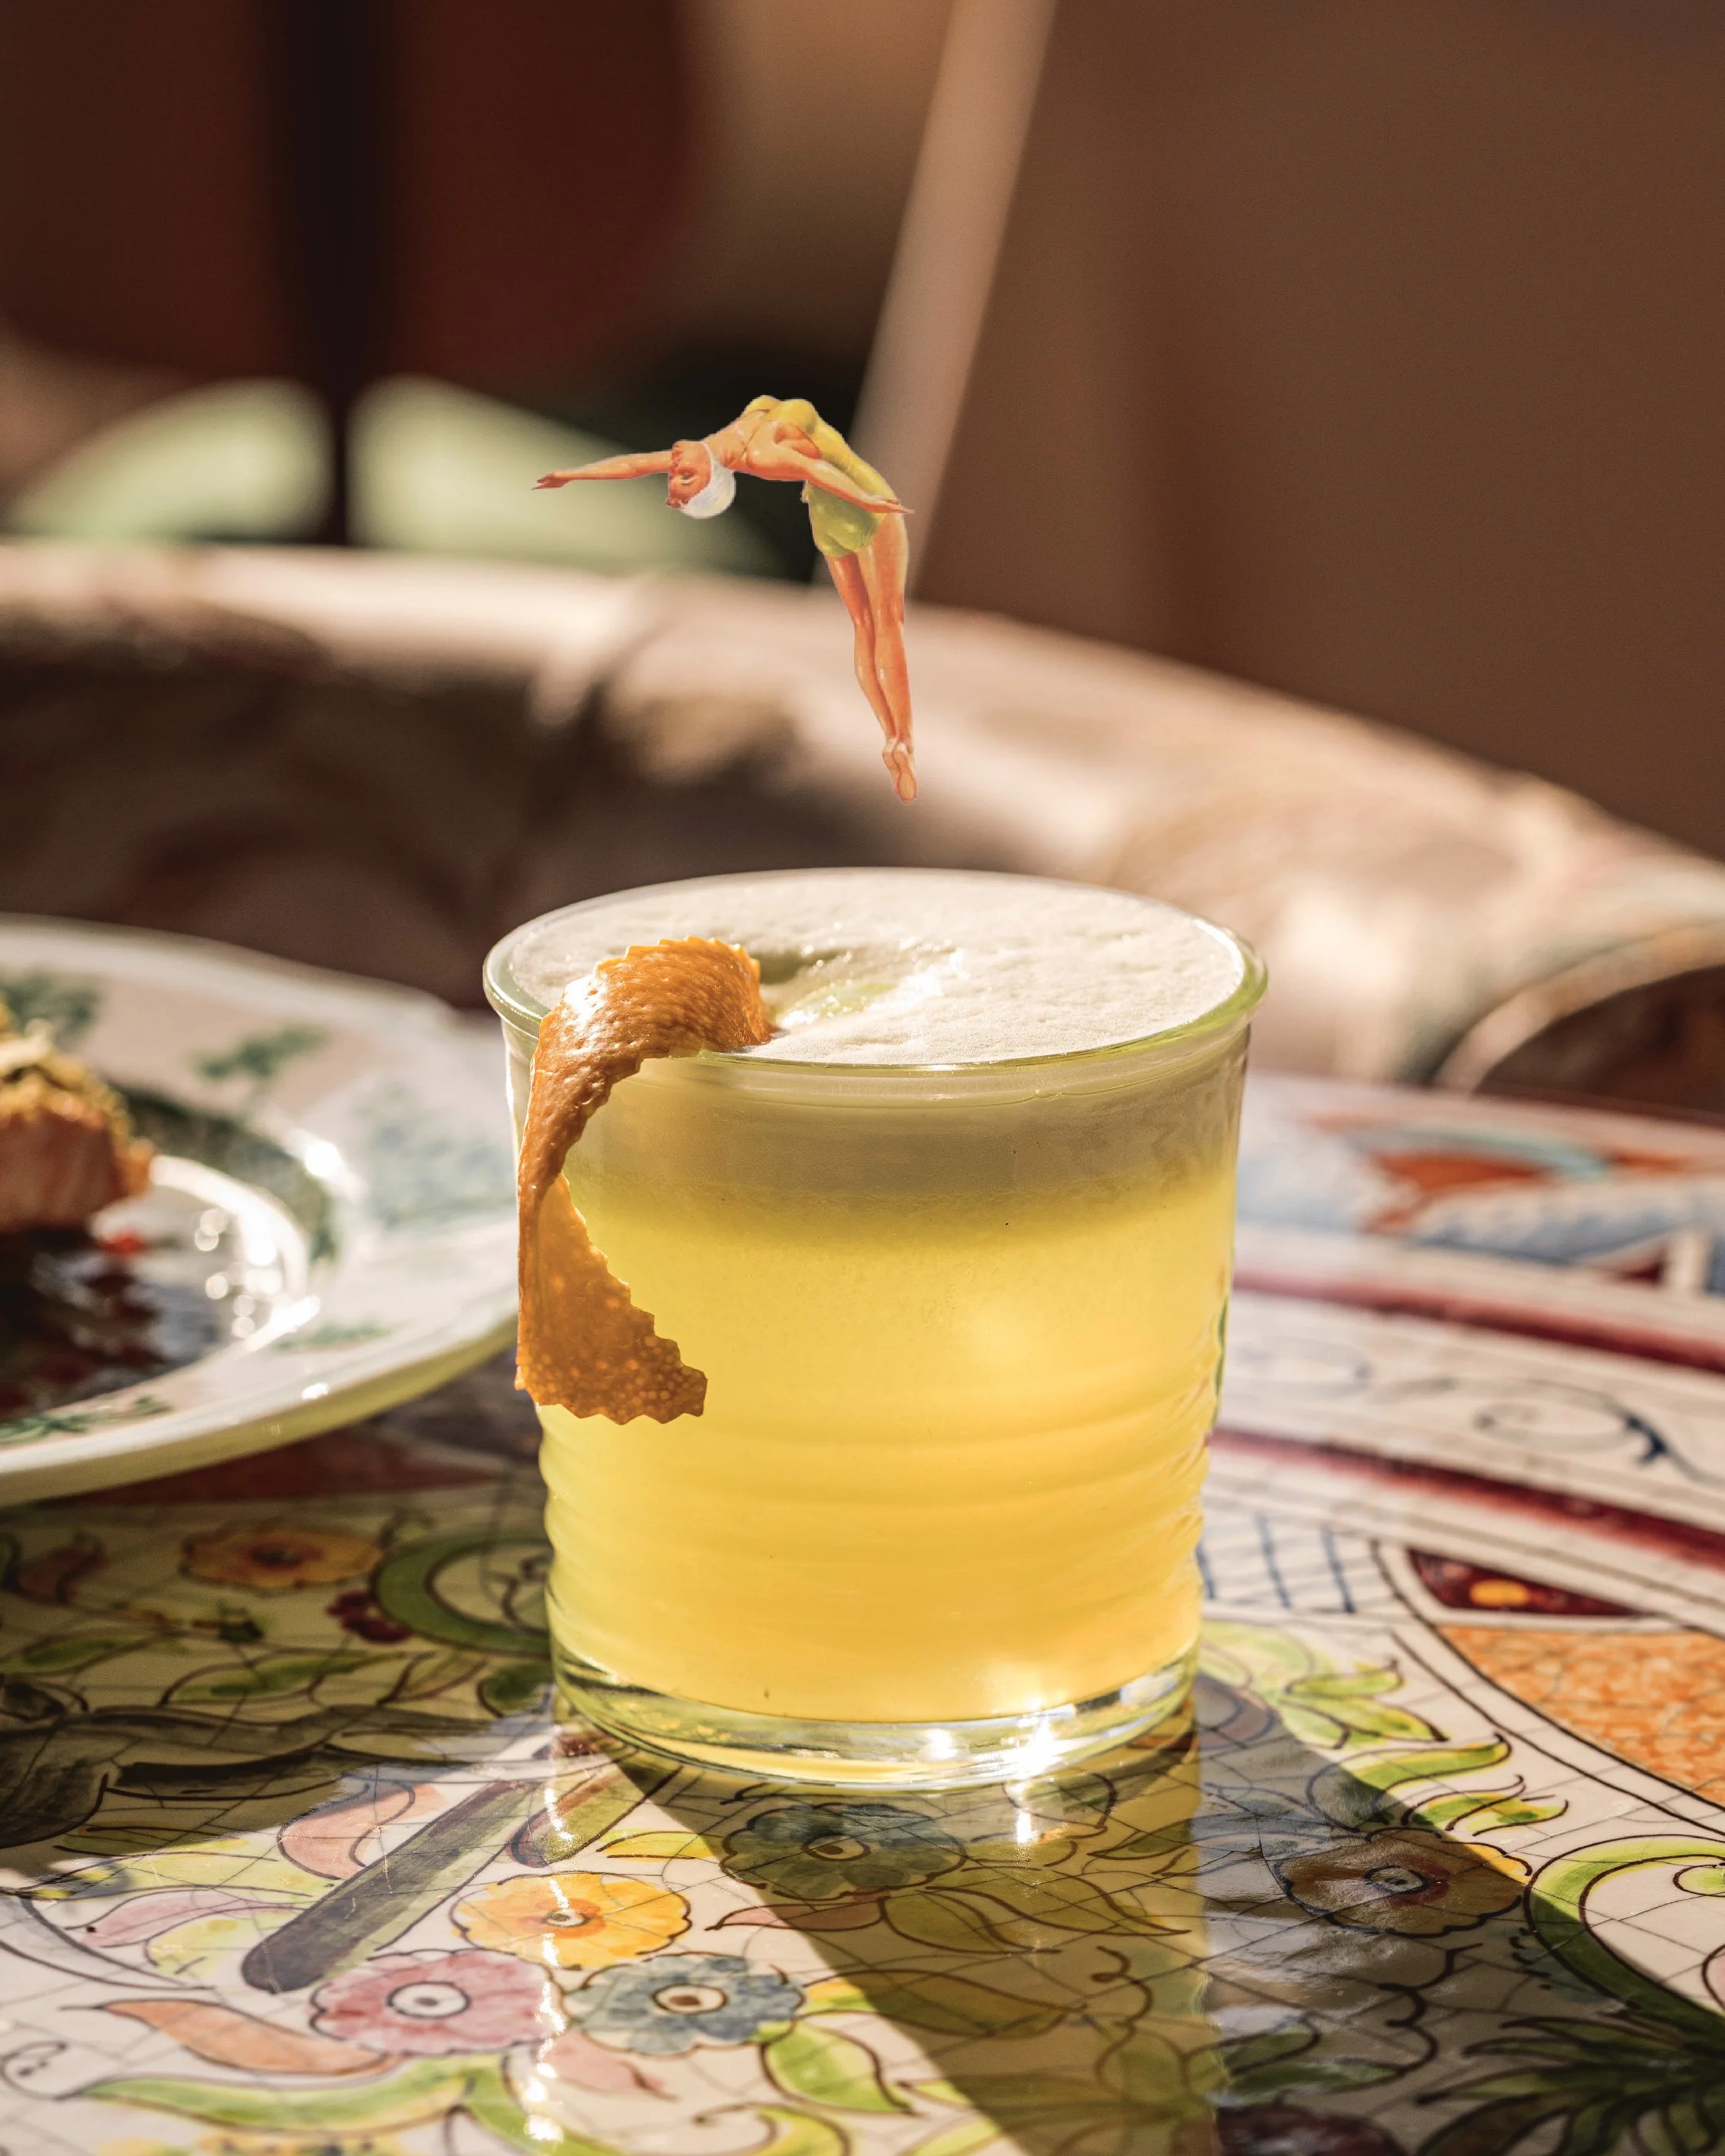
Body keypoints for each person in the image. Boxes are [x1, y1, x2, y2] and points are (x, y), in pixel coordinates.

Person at [537, 396, 916, 801]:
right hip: (834, 509)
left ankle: (898, 737)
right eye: (681, 482)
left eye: (680, 481)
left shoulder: (748, 447)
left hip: (855, 502)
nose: (674, 473)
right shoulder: (738, 448)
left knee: (882, 620)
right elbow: (633, 464)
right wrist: (573, 475)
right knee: (867, 623)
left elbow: (816, 468)